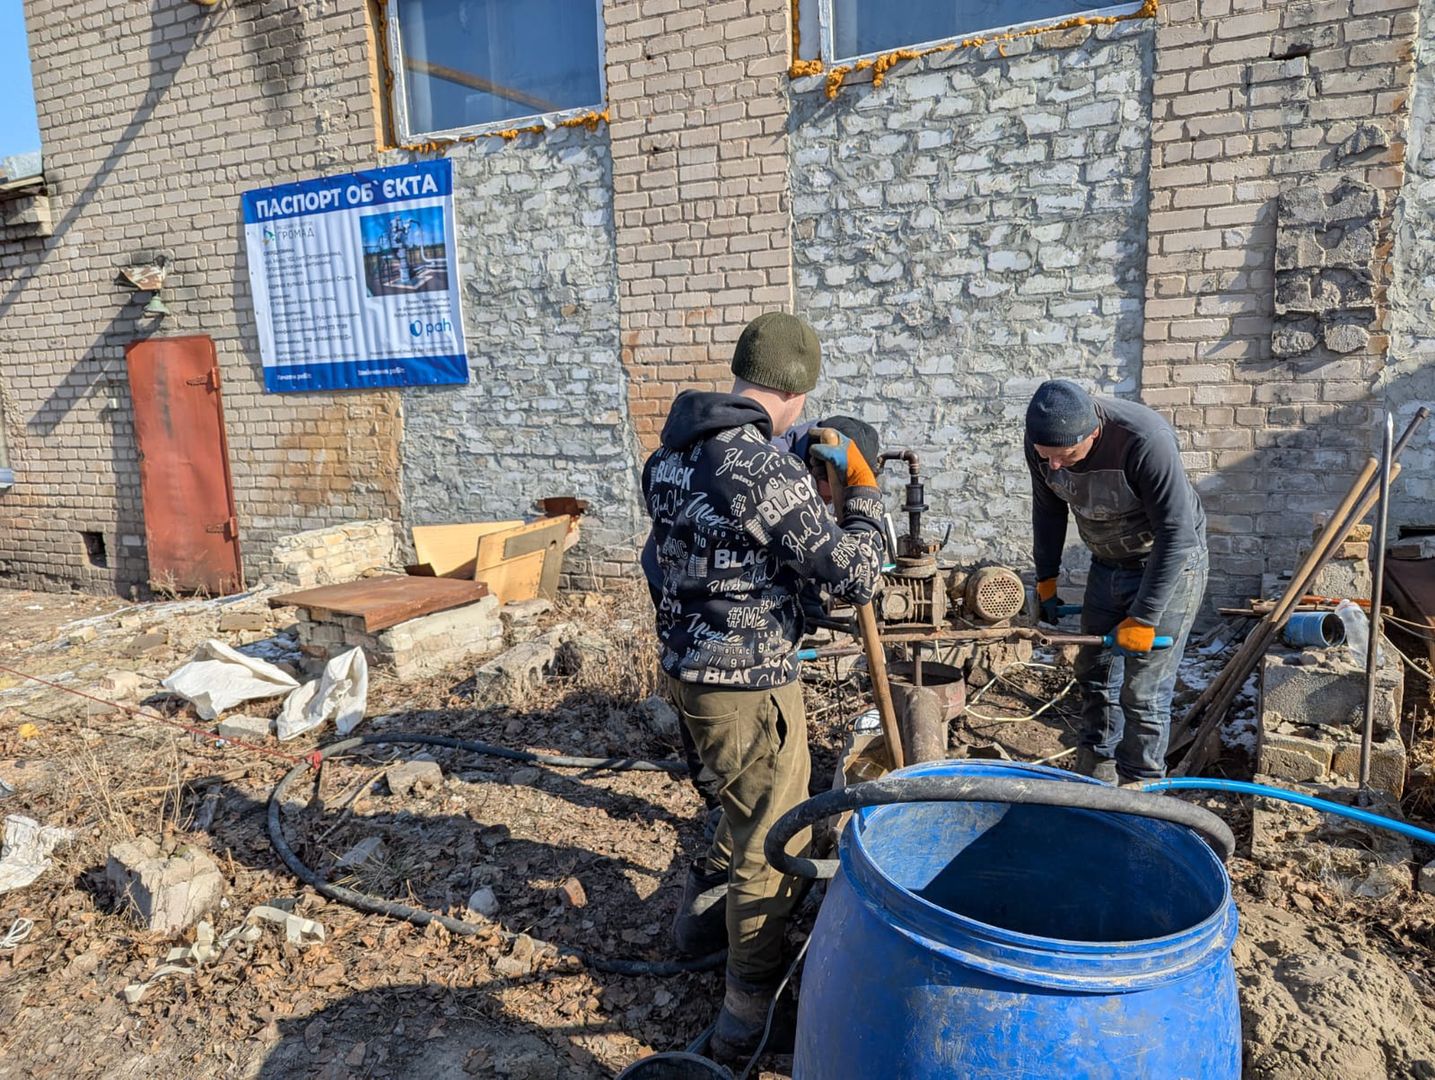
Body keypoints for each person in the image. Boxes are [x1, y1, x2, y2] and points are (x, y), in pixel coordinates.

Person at [641, 312, 885, 1060]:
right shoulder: (757, 467)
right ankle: (745, 1017)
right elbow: (856, 574)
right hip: (746, 683)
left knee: (734, 802)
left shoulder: (671, 455)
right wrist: (861, 490)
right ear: (796, 392)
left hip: (689, 671)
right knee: (771, 843)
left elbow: (688, 556)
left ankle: (695, 929)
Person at [1025, 379, 1208, 785]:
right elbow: (1048, 510)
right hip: (1107, 561)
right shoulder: (1044, 441)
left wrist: (1144, 617)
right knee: (1095, 674)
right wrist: (1046, 579)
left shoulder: (1144, 439)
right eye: (1046, 456)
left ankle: (1140, 789)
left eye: (1066, 455)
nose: (1055, 465)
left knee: (1142, 692)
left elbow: (1177, 534)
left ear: (1093, 433)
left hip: (1169, 562)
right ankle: (1097, 778)